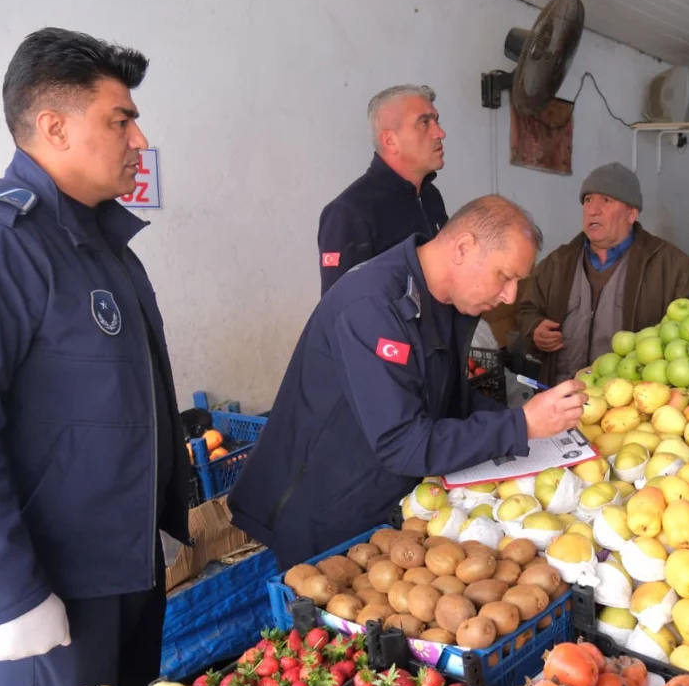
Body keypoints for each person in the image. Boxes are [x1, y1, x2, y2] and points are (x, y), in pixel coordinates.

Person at [0, 28, 189, 686]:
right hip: (50, 587)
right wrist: (13, 594)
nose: (139, 141)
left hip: (125, 569)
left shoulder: (103, 246)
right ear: (54, 127)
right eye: (120, 121)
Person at [230, 196, 587, 567]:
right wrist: (520, 425)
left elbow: (449, 399)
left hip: (382, 500)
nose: (510, 296)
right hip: (320, 511)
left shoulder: (444, 302)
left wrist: (531, 421)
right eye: (505, 276)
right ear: (464, 248)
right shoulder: (371, 306)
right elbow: (402, 442)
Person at [517, 163, 689, 385]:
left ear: (632, 214)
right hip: (562, 392)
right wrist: (535, 329)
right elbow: (527, 309)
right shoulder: (559, 262)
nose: (593, 210)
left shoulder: (669, 264)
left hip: (631, 397)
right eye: (588, 200)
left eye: (606, 201)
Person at [317, 84, 449, 294]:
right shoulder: (349, 212)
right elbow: (343, 307)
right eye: (424, 123)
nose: (440, 133)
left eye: (436, 121)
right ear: (390, 141)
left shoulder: (430, 196)